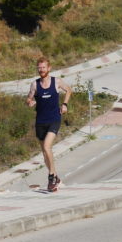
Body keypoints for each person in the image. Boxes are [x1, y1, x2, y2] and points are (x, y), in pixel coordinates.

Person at [26, 57, 72, 192]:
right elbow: (28, 98)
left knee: (47, 146)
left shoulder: (56, 81)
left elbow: (69, 90)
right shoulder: (35, 84)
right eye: (39, 68)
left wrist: (64, 104)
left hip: (54, 119)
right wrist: (29, 102)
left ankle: (51, 178)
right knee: (45, 153)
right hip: (40, 121)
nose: (41, 70)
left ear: (49, 68)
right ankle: (56, 177)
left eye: (43, 67)